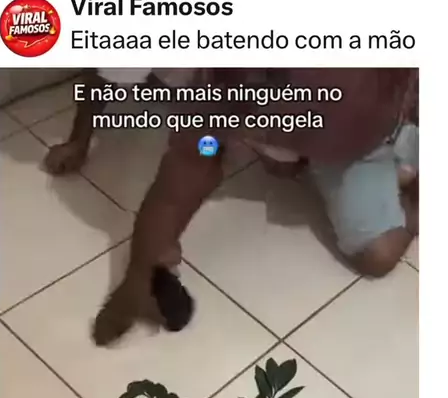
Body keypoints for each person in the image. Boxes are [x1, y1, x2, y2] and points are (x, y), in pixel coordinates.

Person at [44, 67, 419, 346]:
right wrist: (138, 274)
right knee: (249, 155)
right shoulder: (225, 82)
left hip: (363, 139)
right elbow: (186, 171)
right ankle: (292, 152)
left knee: (378, 257)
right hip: (291, 132)